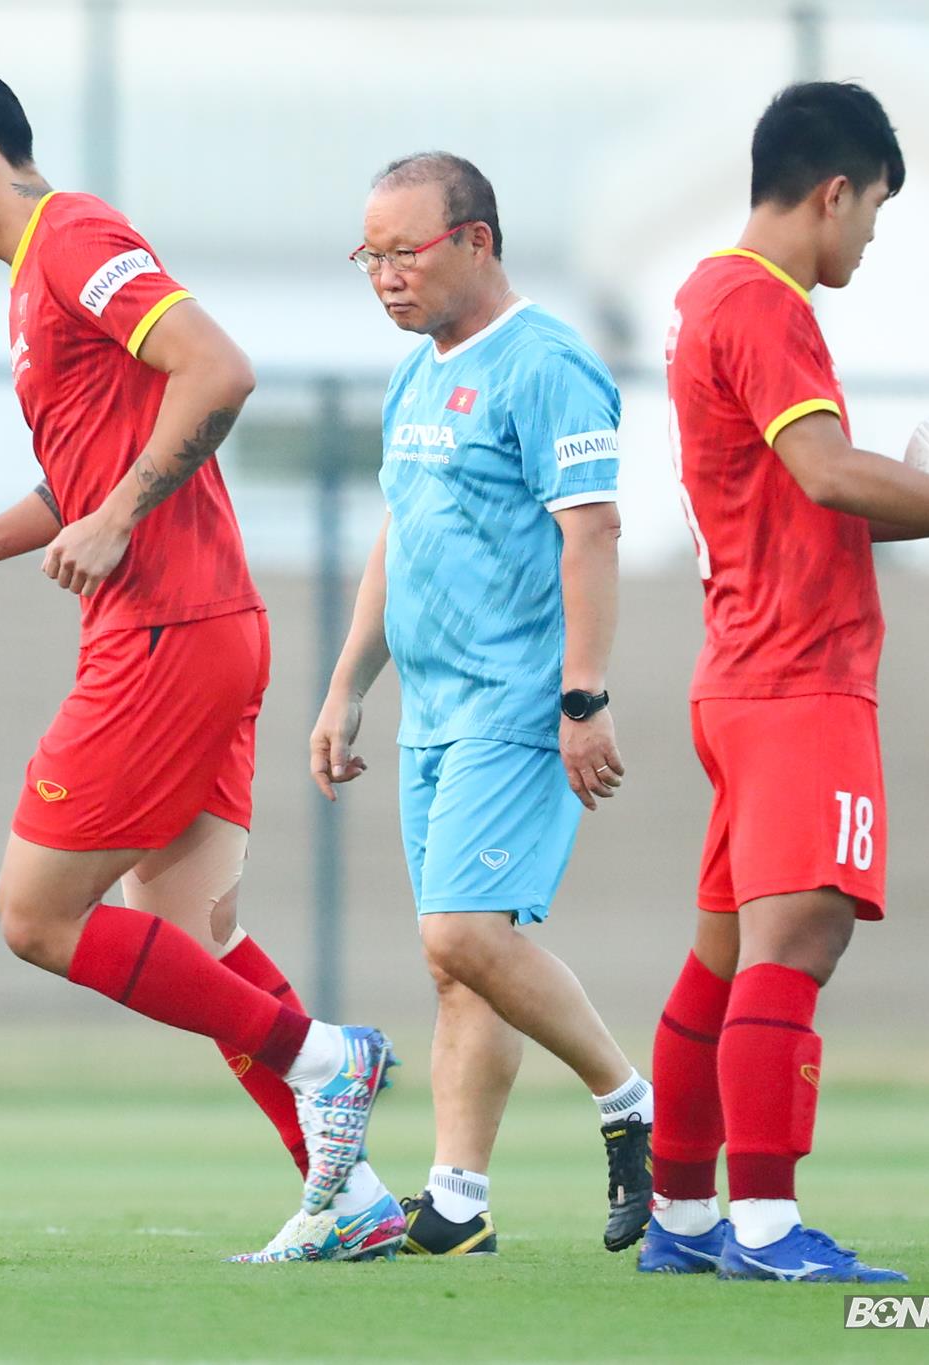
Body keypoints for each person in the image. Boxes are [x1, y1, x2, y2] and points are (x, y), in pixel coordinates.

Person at [0, 65, 400, 1263]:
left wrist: (119, 520)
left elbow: (218, 368)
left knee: (34, 917)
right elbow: (79, 482)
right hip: (204, 625)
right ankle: (348, 1196)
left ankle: (326, 1059)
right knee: (192, 939)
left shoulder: (73, 236)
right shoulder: (31, 278)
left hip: (166, 631)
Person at [640, 81, 929, 1283]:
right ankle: (766, 1231)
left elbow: (798, 497)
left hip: (737, 674)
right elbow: (827, 475)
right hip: (797, 678)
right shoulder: (763, 305)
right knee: (801, 940)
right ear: (832, 191)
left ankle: (679, 1221)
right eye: (872, 210)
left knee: (721, 958)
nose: (870, 237)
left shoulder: (701, 296)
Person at [313, 152, 654, 1259]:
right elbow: (398, 538)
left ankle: (624, 1101)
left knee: (459, 927)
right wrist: (344, 687)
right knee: (459, 955)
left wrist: (582, 694)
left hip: (518, 700)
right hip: (431, 707)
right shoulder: (418, 374)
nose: (382, 276)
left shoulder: (547, 363)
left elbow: (591, 530)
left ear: (475, 241)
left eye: (402, 252)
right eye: (367, 256)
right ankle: (455, 1201)